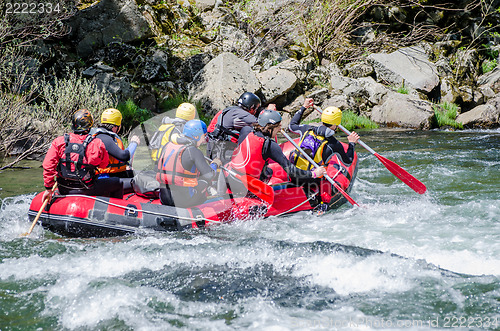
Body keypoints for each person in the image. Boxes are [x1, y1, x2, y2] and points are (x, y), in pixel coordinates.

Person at [224, 109, 326, 197]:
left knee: (271, 171)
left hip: (231, 176)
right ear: (269, 128)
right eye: (278, 126)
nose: (280, 129)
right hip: (246, 185)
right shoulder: (270, 145)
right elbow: (291, 171)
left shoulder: (247, 131)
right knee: (281, 176)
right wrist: (314, 173)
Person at [42, 109, 123, 202]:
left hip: (64, 188)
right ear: (89, 126)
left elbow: (48, 165)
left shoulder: (59, 141)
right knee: (118, 182)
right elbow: (103, 165)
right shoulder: (96, 143)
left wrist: (48, 188)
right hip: (86, 188)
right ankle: (114, 209)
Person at [156, 119, 220, 207]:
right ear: (196, 137)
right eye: (204, 136)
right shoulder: (193, 151)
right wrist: (215, 164)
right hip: (184, 201)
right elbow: (209, 175)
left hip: (164, 198)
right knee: (204, 180)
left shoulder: (167, 146)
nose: (204, 140)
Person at [288, 98, 360, 170]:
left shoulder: (307, 129)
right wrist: (352, 143)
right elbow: (348, 162)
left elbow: (292, 126)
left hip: (294, 172)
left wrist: (304, 107)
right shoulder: (334, 144)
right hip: (313, 178)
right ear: (337, 123)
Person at [207, 92, 276, 164]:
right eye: (256, 108)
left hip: (213, 150)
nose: (255, 112)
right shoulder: (241, 114)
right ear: (252, 107)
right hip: (223, 154)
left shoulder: (230, 110)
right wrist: (269, 111)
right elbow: (263, 124)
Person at [90, 108, 140, 193]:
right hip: (104, 178)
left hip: (110, 175)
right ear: (115, 126)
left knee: (143, 173)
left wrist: (125, 166)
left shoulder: (101, 135)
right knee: (141, 181)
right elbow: (124, 156)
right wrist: (134, 143)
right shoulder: (104, 138)